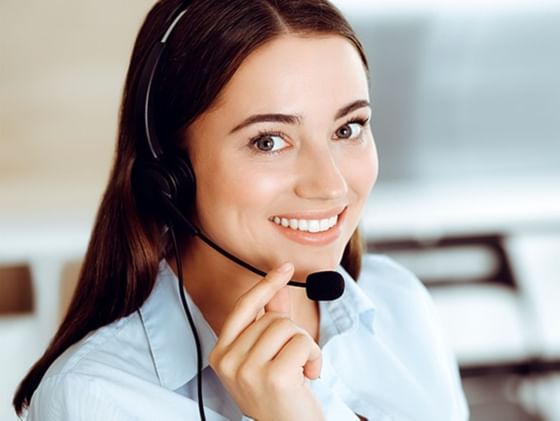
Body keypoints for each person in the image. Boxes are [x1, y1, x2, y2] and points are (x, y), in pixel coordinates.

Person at [13, 0, 469, 420]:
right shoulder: (97, 396)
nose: (331, 184)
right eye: (269, 141)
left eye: (349, 129)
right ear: (171, 170)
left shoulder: (398, 302)